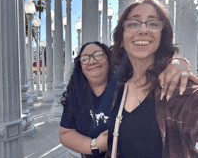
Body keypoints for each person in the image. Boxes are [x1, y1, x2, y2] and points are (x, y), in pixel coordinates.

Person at [59, 39, 197, 157]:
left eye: (98, 55)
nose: (92, 61)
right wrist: (94, 145)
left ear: (109, 59)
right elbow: (65, 133)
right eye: (85, 58)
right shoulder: (75, 96)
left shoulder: (127, 86)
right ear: (80, 67)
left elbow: (151, 67)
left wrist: (178, 63)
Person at [107, 0, 198, 158]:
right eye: (133, 23)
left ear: (162, 37)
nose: (143, 30)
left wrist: (180, 64)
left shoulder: (179, 87)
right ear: (121, 39)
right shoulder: (120, 88)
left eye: (153, 23)